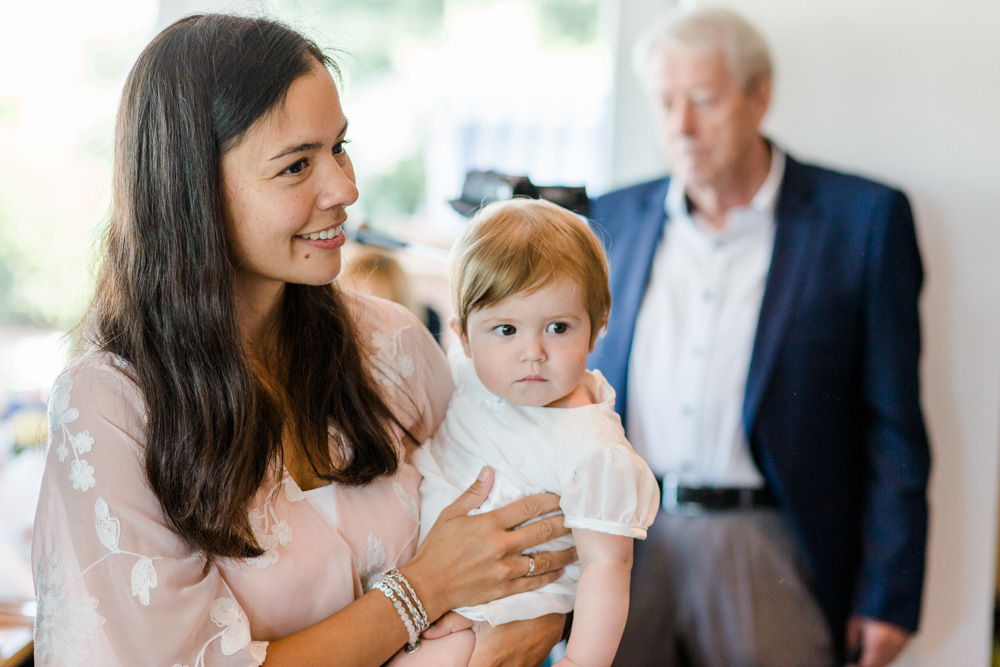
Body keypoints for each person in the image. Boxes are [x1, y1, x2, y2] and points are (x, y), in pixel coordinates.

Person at [30, 14, 575, 667]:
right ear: (191, 188)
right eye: (296, 166)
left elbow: (541, 525)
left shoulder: (394, 346)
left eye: (339, 148)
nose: (345, 189)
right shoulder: (111, 406)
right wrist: (428, 586)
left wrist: (532, 622)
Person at [586, 7, 931, 667]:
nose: (680, 125)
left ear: (759, 96)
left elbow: (894, 426)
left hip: (769, 543)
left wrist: (893, 588)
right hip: (626, 536)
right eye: (665, 103)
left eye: (704, 101)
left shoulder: (863, 219)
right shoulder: (611, 215)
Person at [407, 199, 659, 667]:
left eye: (558, 327)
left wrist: (580, 662)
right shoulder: (463, 374)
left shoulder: (593, 450)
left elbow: (609, 565)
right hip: (420, 588)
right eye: (506, 329)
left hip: (495, 620)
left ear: (598, 327)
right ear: (463, 336)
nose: (533, 352)